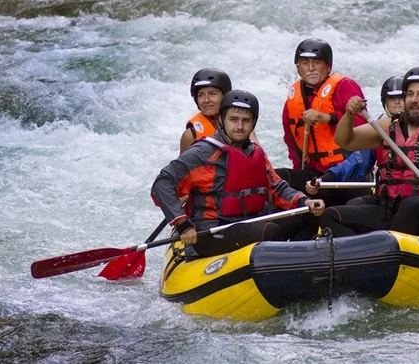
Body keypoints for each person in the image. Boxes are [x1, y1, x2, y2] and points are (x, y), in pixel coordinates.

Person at [152, 90, 325, 257]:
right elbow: (162, 183)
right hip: (212, 232)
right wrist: (182, 223)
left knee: (307, 215)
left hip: (251, 221)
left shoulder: (254, 152)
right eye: (233, 120)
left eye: (245, 121)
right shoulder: (201, 153)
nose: (240, 126)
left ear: (253, 123)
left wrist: (305, 201)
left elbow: (277, 188)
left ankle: (296, 266)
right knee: (269, 231)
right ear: (221, 120)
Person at [319, 66, 419, 237]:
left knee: (412, 205)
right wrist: (350, 113)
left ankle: (391, 248)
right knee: (331, 216)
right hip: (390, 210)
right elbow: (345, 140)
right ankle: (364, 256)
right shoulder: (385, 128)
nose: (414, 99)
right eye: (410, 94)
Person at [275, 38, 371, 206]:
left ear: (328, 66)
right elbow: (292, 144)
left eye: (317, 62)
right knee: (277, 177)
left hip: (348, 174)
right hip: (314, 176)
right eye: (305, 63)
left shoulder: (345, 86)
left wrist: (328, 118)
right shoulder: (293, 98)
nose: (311, 68)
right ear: (298, 67)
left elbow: (364, 129)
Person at [303, 75, 405, 201]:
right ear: (385, 103)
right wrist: (323, 180)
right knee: (335, 214)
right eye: (392, 98)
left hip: (413, 197)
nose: (397, 102)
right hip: (388, 197)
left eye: (401, 98)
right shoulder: (379, 131)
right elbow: (355, 163)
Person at [180, 68, 260, 154]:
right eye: (201, 95)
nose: (206, 100)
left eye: (213, 93)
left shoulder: (241, 126)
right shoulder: (190, 135)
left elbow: (259, 157)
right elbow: (181, 167)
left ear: (225, 96)